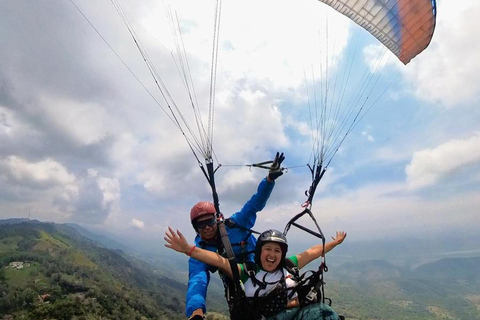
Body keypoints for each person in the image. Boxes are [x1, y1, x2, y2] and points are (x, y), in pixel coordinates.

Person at [165, 227, 347, 320]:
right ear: (259, 251)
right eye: (268, 249)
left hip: (297, 316)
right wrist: (189, 249)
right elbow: (218, 260)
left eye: (277, 251)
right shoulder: (247, 272)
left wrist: (334, 243)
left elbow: (313, 251)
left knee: (325, 312)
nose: (272, 255)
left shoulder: (289, 265)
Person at [187, 152, 285, 320]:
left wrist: (269, 180)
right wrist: (196, 311)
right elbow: (197, 279)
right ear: (195, 228)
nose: (207, 228)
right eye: (200, 224)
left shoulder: (234, 224)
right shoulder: (201, 251)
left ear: (216, 219)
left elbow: (254, 204)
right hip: (237, 284)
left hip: (262, 268)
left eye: (209, 221)